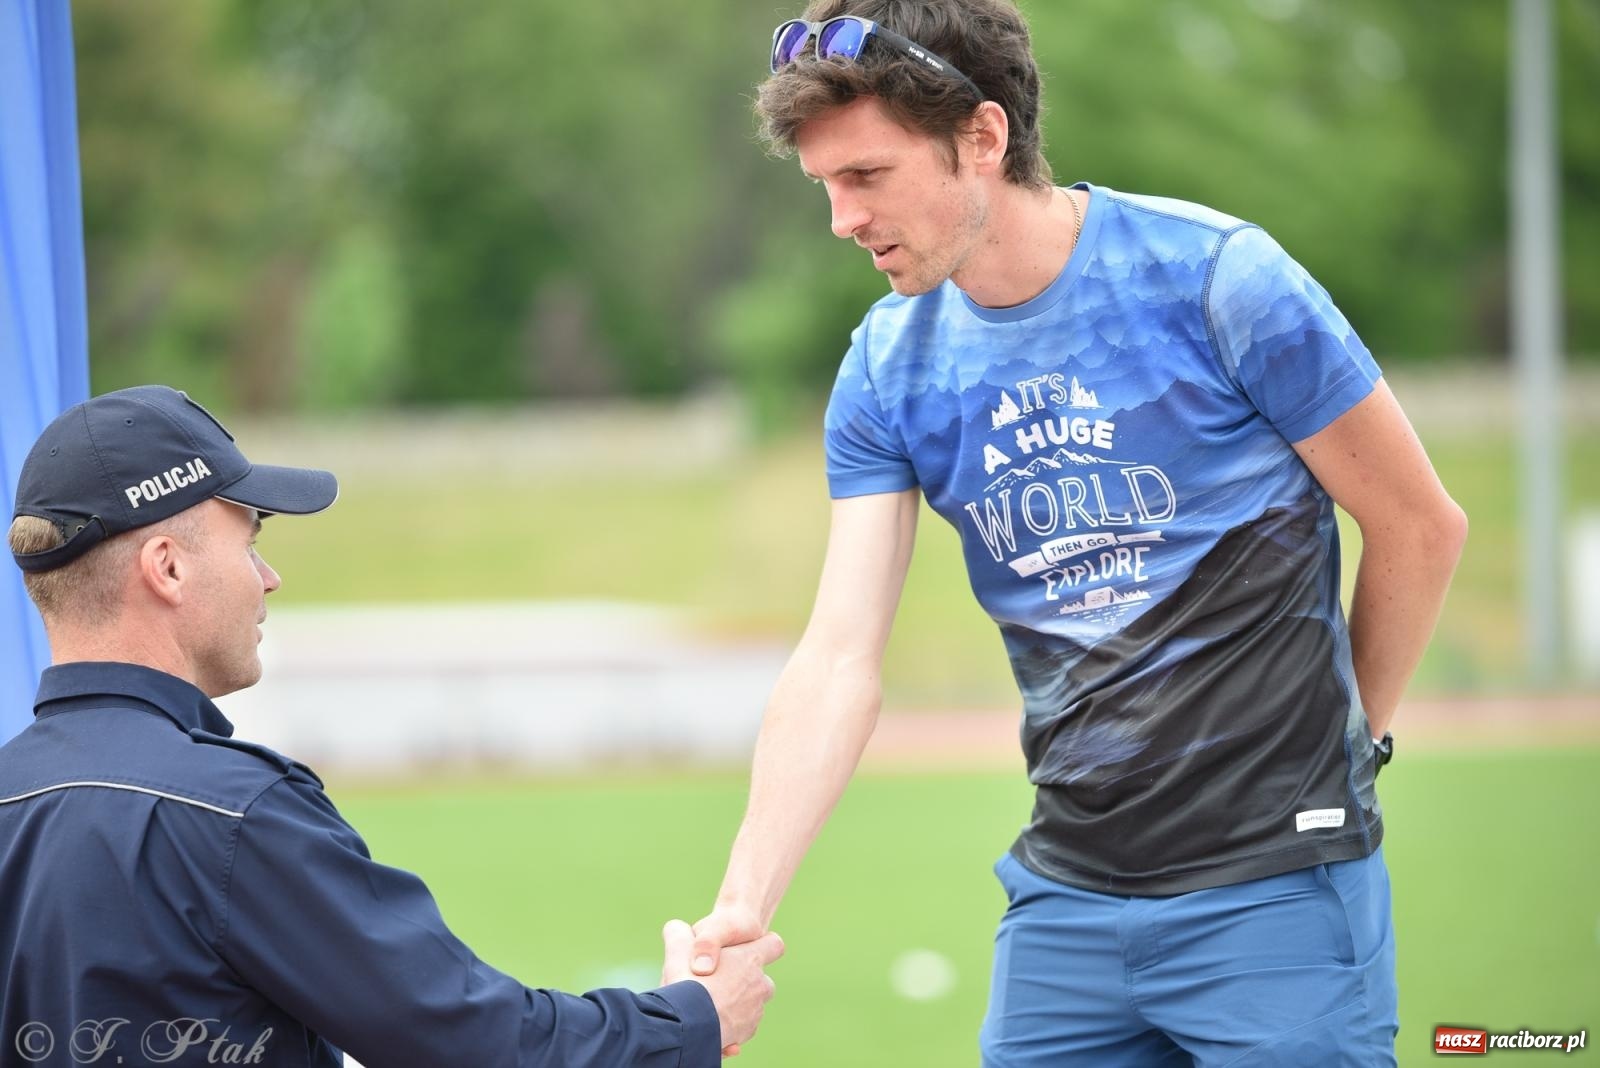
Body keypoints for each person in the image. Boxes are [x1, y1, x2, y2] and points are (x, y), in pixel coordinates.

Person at [687, 2, 1467, 1065]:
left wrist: (1349, 750)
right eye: (822, 185)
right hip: (1064, 905)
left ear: (982, 137)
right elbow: (835, 658)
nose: (839, 218)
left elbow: (1418, 526)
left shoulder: (1216, 282)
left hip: (1274, 898)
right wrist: (741, 903)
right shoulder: (885, 367)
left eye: (864, 176)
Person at [0, 385, 782, 1067]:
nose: (269, 577)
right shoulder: (235, 813)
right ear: (167, 567)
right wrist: (690, 1021)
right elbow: (477, 1045)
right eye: (251, 538)